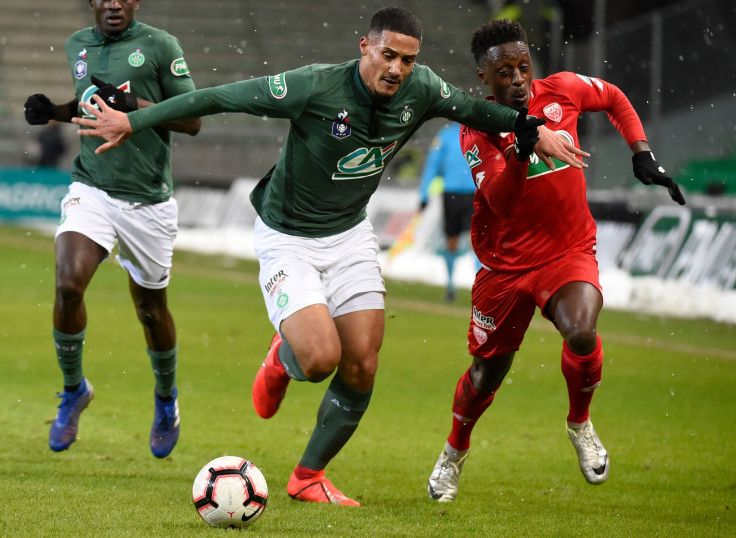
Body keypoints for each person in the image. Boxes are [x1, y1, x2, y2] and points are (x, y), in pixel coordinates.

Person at [72, 7, 587, 505]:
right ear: (365, 46)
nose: (397, 69)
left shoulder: (422, 88)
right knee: (320, 360)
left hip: (350, 235)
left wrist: (531, 128)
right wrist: (133, 123)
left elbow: (476, 109)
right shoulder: (315, 86)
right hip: (287, 237)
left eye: (407, 60)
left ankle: (308, 476)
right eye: (388, 55)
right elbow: (219, 97)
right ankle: (283, 356)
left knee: (362, 363)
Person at [427, 19, 686, 502]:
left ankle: (580, 423)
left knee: (583, 331)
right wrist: (522, 151)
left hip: (567, 253)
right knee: (487, 375)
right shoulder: (476, 129)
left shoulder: (562, 91)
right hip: (504, 268)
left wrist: (641, 151)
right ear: (483, 76)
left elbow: (613, 97)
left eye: (524, 66)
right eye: (504, 71)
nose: (519, 78)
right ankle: (455, 450)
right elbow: (502, 204)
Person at [23, 0, 201, 458]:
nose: (115, 3)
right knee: (67, 285)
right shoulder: (77, 45)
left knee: (151, 312)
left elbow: (192, 119)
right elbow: (91, 106)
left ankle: (166, 401)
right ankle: (73, 390)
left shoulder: (161, 46)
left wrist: (136, 106)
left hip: (149, 201)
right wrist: (54, 111)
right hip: (93, 187)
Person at [418, 122, 478, 303]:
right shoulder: (445, 135)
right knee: (451, 240)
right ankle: (451, 285)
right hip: (451, 194)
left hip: (474, 193)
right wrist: (424, 194)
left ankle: (480, 287)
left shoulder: (477, 133)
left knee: (475, 240)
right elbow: (432, 164)